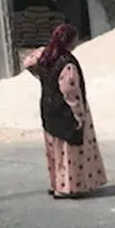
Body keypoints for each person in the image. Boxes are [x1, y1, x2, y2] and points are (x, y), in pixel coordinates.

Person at [23, 23, 107, 198]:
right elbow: (70, 91)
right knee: (70, 150)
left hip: (47, 106)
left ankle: (57, 184)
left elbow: (28, 63)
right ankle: (69, 187)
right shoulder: (67, 63)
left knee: (54, 148)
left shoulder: (44, 56)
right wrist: (78, 115)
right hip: (64, 110)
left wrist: (41, 77)